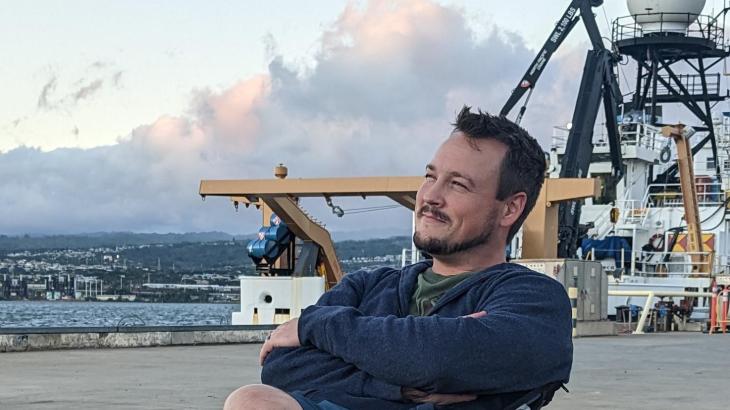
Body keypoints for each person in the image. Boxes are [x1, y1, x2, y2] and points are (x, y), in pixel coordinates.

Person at [224, 106, 573, 410]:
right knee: (252, 400)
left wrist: (316, 327)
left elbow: (438, 359)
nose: (430, 196)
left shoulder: (534, 299)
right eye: (430, 177)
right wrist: (400, 387)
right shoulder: (368, 286)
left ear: (510, 207)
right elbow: (282, 365)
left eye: (458, 185)